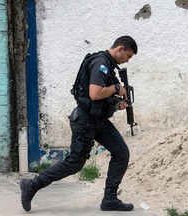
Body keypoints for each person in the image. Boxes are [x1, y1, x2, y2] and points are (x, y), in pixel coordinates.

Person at [20, 36, 138, 212]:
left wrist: (117, 104)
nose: (127, 60)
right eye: (128, 56)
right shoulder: (101, 64)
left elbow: (101, 100)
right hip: (85, 121)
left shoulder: (108, 67)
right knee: (74, 163)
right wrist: (116, 88)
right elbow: (95, 94)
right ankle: (31, 185)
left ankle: (110, 199)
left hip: (98, 120)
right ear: (120, 49)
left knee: (121, 152)